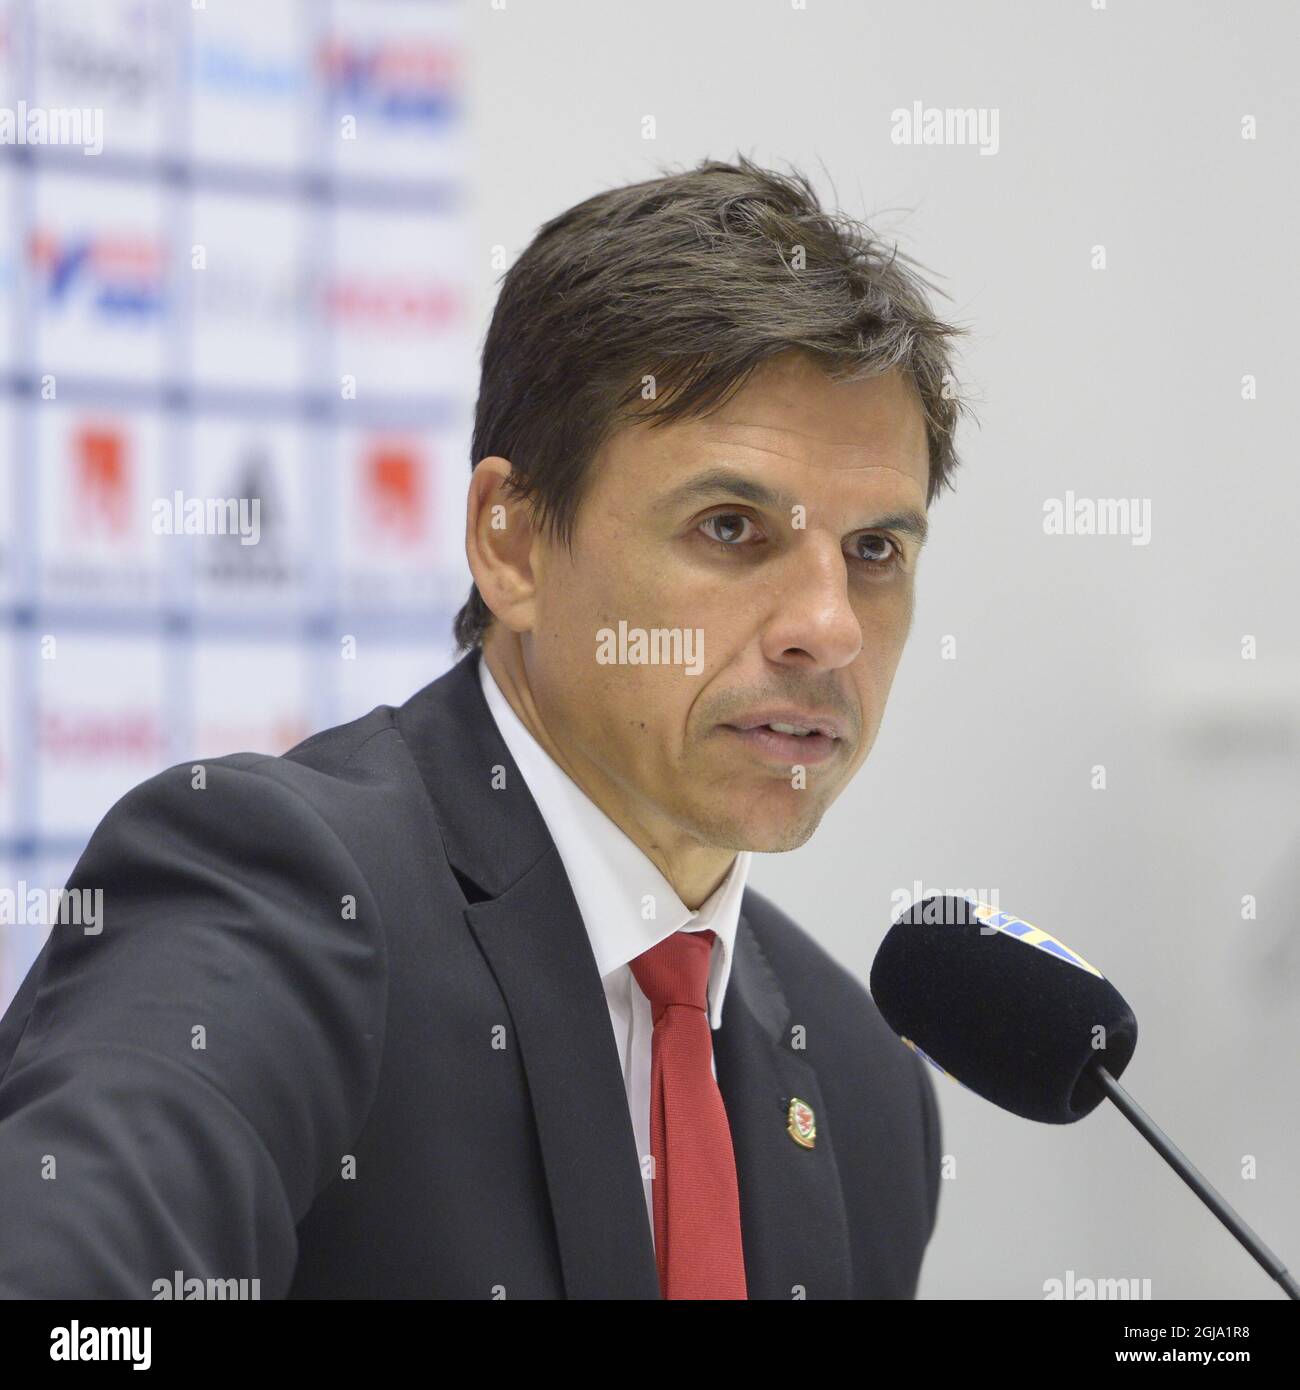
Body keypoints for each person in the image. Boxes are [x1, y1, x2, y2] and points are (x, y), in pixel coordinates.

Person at [0, 155, 969, 1299]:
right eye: (728, 527)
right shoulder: (285, 889)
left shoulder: (861, 1085)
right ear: (511, 543)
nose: (827, 628)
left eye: (874, 553)